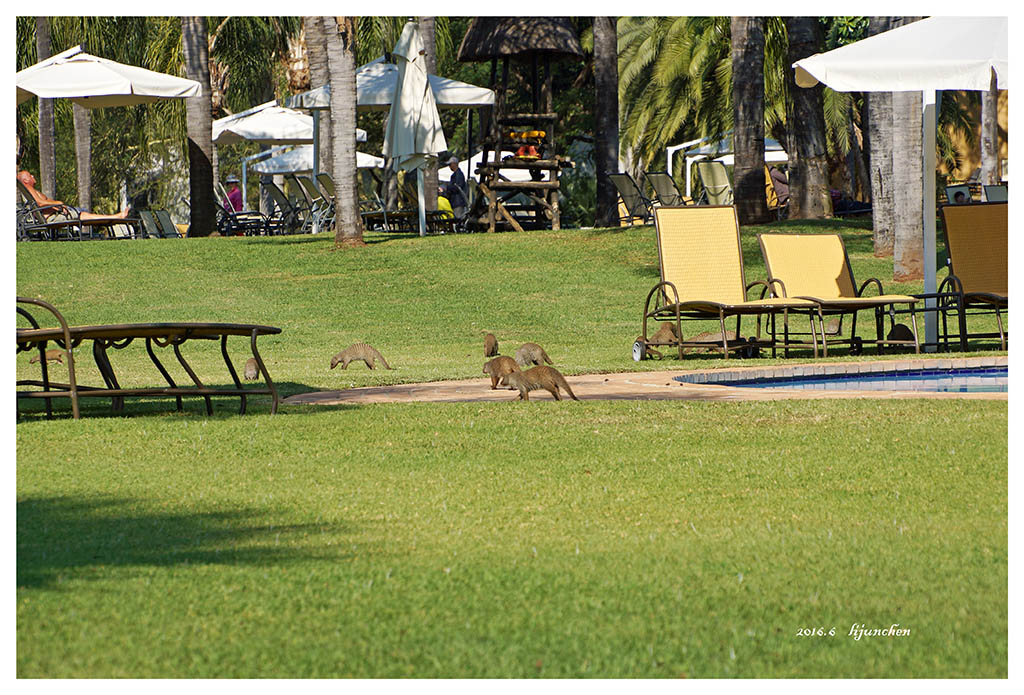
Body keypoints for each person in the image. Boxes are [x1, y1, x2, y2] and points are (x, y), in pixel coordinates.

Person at [17, 170, 131, 221]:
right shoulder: (28, 189)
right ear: (25, 181)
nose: (33, 175)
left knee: (83, 213)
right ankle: (116, 217)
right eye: (29, 175)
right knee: (83, 214)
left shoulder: (29, 190)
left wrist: (57, 205)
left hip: (56, 213)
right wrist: (59, 204)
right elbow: (40, 203)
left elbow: (43, 202)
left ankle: (115, 217)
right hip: (52, 218)